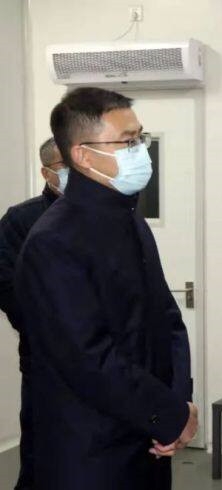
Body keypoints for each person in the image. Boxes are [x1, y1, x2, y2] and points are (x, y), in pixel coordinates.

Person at [14, 87, 198, 490]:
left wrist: (179, 403)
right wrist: (167, 415)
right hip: (92, 450)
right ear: (83, 155)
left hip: (148, 438)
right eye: (128, 142)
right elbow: (88, 358)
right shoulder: (54, 241)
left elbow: (167, 320)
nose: (140, 151)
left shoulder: (131, 221)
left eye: (140, 138)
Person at [0, 137, 67, 490]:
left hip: (106, 364)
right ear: (46, 172)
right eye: (65, 166)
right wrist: (48, 327)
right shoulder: (22, 220)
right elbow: (6, 284)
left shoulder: (114, 215)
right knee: (43, 453)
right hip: (45, 361)